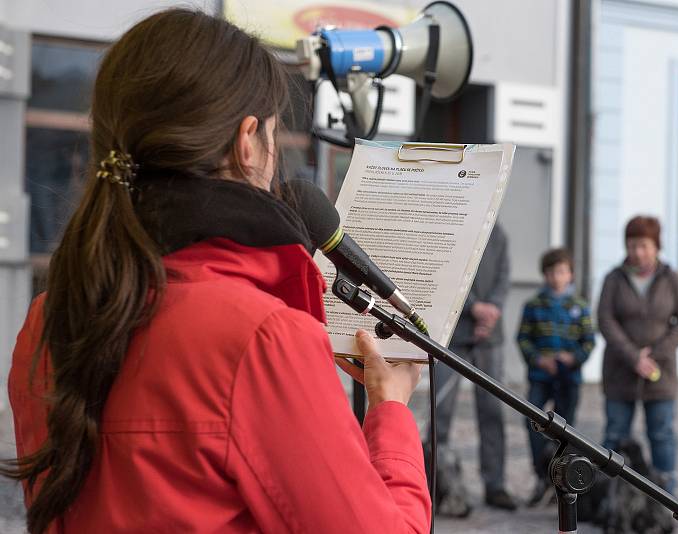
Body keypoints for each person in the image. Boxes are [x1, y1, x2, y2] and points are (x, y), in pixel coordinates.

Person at [1, 10, 430, 534]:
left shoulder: (47, 318)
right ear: (248, 140)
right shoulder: (261, 338)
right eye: (274, 133)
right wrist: (390, 411)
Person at [597, 215, 678, 494]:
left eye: (643, 245)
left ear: (656, 246)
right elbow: (605, 320)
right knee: (615, 435)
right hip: (619, 372)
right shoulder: (613, 279)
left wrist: (658, 353)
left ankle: (666, 500)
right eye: (631, 245)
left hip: (660, 374)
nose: (637, 252)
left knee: (661, 435)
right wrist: (632, 356)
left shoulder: (671, 279)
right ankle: (610, 497)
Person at [427, 223, 515, 513]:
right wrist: (474, 308)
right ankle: (432, 484)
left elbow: (503, 277)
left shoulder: (499, 233)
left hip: (490, 337)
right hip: (454, 334)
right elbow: (447, 274)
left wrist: (491, 311)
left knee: (492, 411)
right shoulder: (456, 226)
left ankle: (495, 484)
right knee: (439, 411)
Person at [517, 248, 595, 506]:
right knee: (533, 423)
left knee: (566, 431)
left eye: (561, 271)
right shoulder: (534, 305)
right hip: (540, 375)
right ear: (544, 275)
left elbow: (588, 342)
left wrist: (573, 359)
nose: (556, 277)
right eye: (551, 272)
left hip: (568, 378)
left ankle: (561, 480)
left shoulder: (580, 307)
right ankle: (541, 475)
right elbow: (524, 338)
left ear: (570, 274)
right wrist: (539, 359)